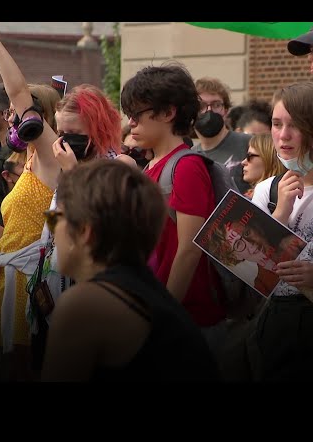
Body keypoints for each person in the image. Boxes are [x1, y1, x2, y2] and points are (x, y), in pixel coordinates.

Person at [41, 159, 221, 381]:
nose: (51, 229)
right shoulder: (148, 292)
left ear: (85, 232)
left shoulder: (85, 304)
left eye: (54, 218)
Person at [121, 63, 227, 352]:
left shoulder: (187, 166)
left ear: (168, 113)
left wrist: (163, 314)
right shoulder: (152, 166)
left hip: (187, 321)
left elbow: (190, 249)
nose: (131, 122)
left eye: (137, 114)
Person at [250, 81, 313, 379]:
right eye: (276, 124)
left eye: (295, 125)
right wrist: (281, 211)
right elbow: (250, 266)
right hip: (277, 320)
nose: (283, 135)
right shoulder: (267, 189)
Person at [192, 77, 251, 194]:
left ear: (226, 110)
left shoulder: (249, 144)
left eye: (216, 105)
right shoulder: (191, 156)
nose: (209, 111)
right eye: (201, 106)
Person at [241, 133, 286, 199]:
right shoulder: (250, 196)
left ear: (272, 160)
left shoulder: (286, 197)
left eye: (250, 156)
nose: (243, 162)